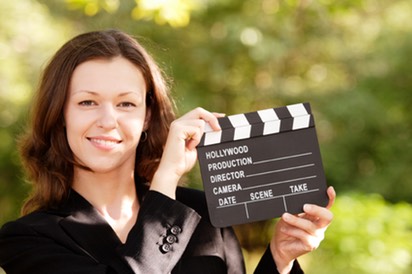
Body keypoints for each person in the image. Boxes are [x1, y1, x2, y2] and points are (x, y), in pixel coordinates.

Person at [0, 29, 335, 274]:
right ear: (60, 114)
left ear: (146, 116)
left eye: (125, 104)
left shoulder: (205, 214)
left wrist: (280, 258)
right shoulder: (26, 239)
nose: (107, 120)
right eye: (87, 102)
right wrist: (166, 180)